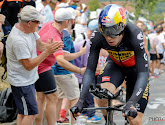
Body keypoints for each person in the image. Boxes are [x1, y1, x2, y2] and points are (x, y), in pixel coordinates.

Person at [70, 4, 149, 125]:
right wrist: (80, 101)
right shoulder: (97, 36)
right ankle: (109, 121)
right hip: (115, 65)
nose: (108, 37)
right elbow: (90, 70)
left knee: (134, 119)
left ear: (122, 26)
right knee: (101, 95)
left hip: (136, 70)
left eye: (113, 31)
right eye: (104, 30)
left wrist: (132, 102)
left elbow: (143, 73)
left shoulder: (134, 34)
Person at [6, 5, 63, 125]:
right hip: (21, 82)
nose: (39, 24)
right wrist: (47, 52)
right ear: (29, 23)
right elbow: (29, 65)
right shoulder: (18, 40)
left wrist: (51, 47)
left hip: (27, 80)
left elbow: (40, 46)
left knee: (24, 113)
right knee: (31, 113)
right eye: (37, 22)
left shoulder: (30, 31)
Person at [35, 7, 86, 125]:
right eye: (72, 20)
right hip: (44, 68)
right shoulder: (57, 38)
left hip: (37, 66)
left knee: (42, 98)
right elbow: (61, 61)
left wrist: (78, 54)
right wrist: (79, 70)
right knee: (54, 98)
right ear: (67, 22)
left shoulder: (48, 24)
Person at [74, 19, 103, 123]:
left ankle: (85, 112)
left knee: (85, 95)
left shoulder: (81, 41)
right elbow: (88, 65)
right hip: (83, 75)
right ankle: (91, 115)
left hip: (77, 74)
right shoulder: (88, 45)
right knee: (89, 94)